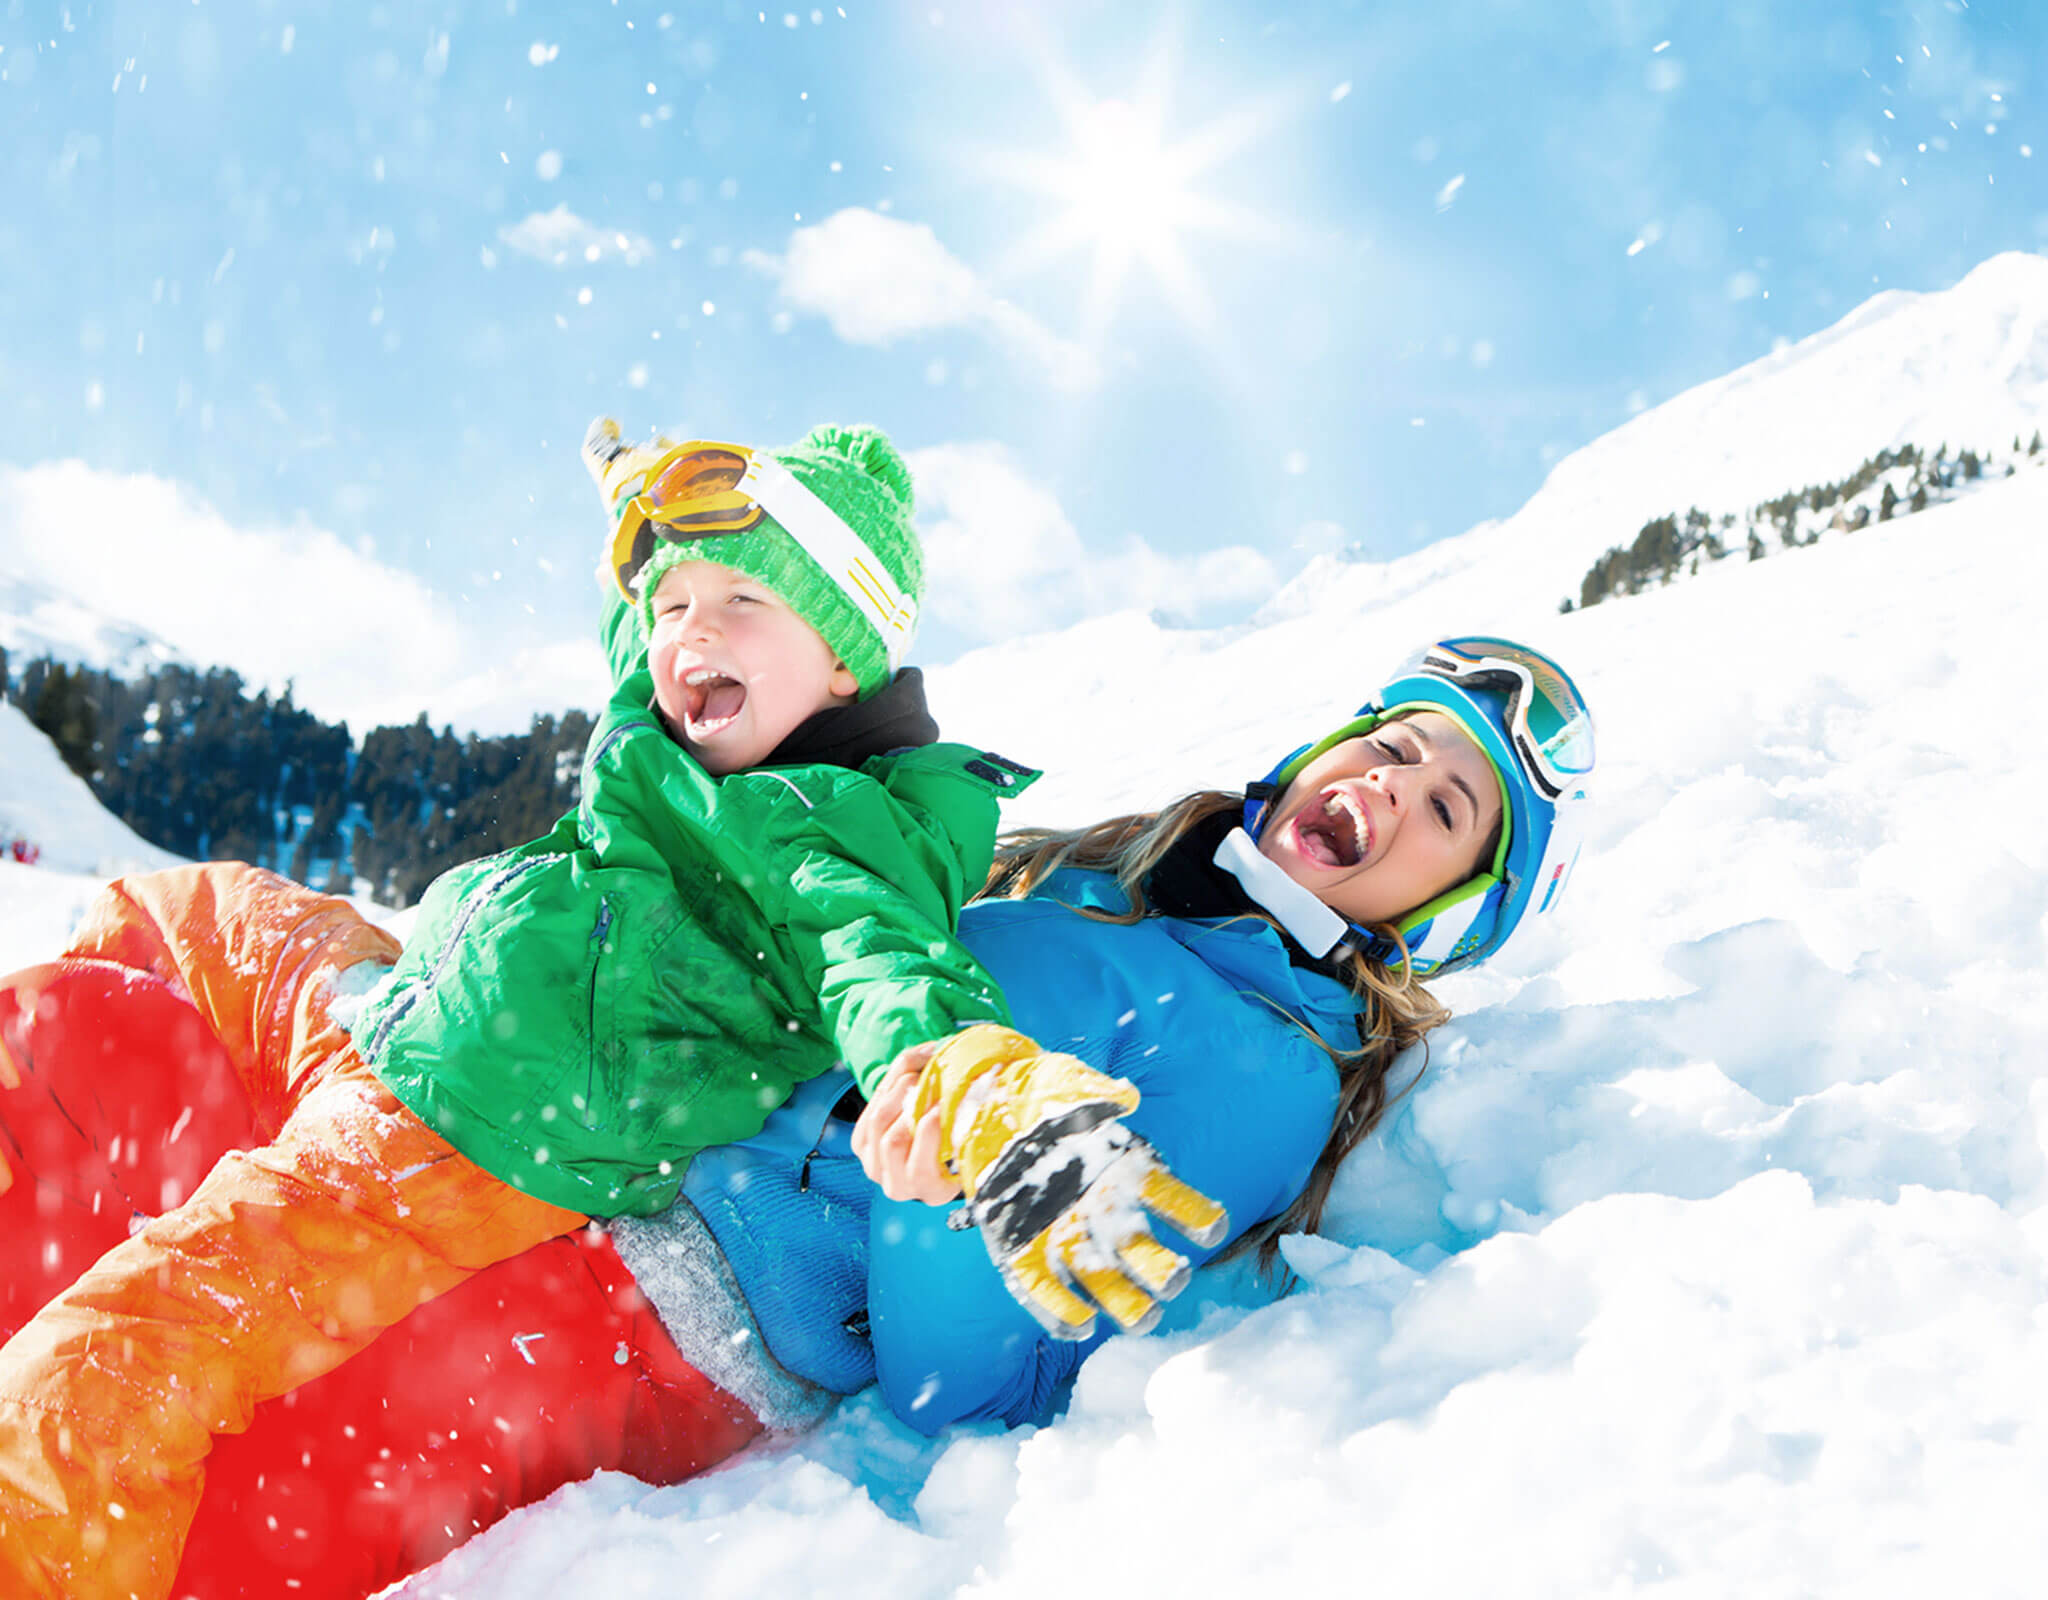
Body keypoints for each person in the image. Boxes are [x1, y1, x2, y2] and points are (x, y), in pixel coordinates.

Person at [1, 636, 1594, 1597]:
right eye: (1390, 744)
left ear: (1443, 907)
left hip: (639, 1303)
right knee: (104, 1017)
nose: (1389, 786)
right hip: (555, 1105)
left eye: (1446, 807)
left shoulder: (1262, 1065)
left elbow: (978, 1374)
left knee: (181, 1499)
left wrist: (942, 1177)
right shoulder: (1105, 875)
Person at [0, 421, 1224, 1599]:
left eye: (744, 600)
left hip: (455, 1142)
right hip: (402, 1032)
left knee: (134, 1342)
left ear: (848, 660)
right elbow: (642, 624)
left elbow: (889, 972)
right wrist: (633, 512)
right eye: (675, 603)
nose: (691, 631)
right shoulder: (686, 724)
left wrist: (982, 1086)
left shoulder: (827, 830)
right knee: (187, 911)